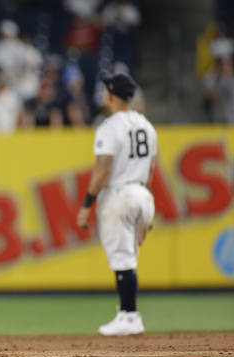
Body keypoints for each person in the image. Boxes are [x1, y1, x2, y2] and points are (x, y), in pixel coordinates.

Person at [76, 72, 157, 336]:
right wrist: (147, 206)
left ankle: (130, 315)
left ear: (111, 95)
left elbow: (102, 171)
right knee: (129, 257)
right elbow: (152, 168)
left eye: (105, 91)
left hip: (119, 195)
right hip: (142, 193)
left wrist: (87, 203)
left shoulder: (110, 126)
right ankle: (126, 313)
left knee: (122, 258)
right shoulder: (146, 125)